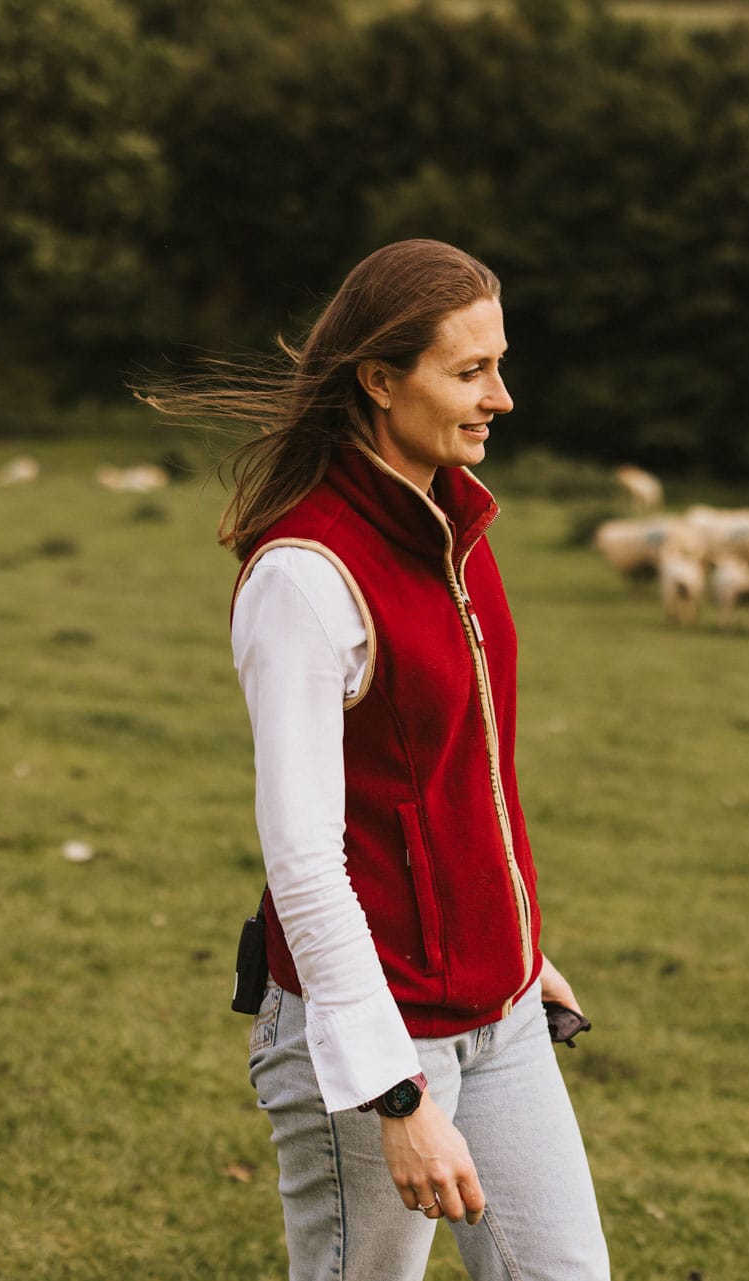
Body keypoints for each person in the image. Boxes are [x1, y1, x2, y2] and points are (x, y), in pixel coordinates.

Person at [172, 240, 610, 1279]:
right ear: (379, 380)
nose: (502, 396)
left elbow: (461, 778)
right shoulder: (305, 576)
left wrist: (515, 946)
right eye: (470, 372)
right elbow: (306, 858)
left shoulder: (455, 528)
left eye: (499, 364)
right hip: (377, 1038)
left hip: (498, 1016)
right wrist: (394, 1094)